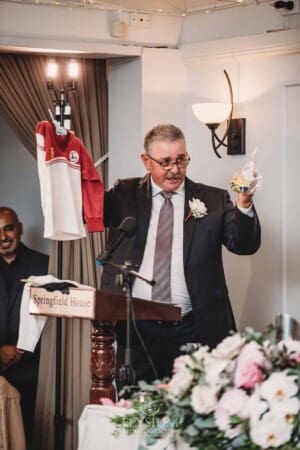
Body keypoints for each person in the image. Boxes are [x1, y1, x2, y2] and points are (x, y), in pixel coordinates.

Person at [101, 124, 261, 386]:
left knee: (193, 412)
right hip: (137, 330)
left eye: (181, 160)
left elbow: (244, 245)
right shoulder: (124, 194)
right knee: (140, 414)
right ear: (146, 161)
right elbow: (85, 210)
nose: (175, 169)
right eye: (165, 162)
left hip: (194, 328)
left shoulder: (213, 199)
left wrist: (244, 203)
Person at [0, 207, 49, 448]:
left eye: (8, 228)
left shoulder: (45, 264)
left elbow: (52, 320)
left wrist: (22, 350)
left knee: (30, 437)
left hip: (31, 371)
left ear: (19, 229)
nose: (3, 236)